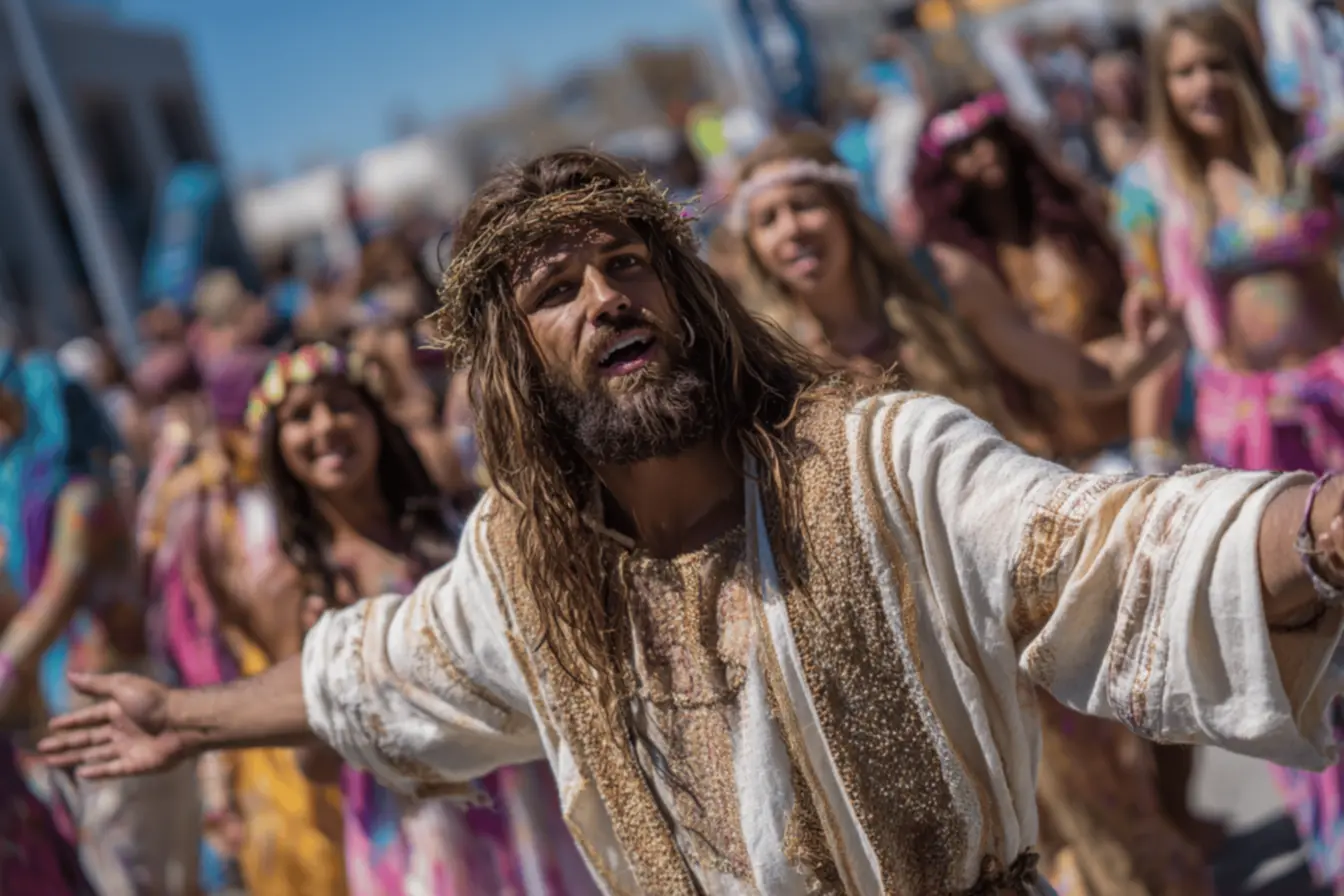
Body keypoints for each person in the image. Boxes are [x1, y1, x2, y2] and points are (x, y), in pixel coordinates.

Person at [40, 149, 1344, 896]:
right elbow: (375, 666)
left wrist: (1326, 531)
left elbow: (1118, 546)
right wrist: (180, 718)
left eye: (629, 266)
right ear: (510, 360)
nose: (608, 297)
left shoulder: (881, 457)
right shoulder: (526, 571)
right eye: (559, 286)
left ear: (689, 301)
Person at [743, 129, 1214, 895]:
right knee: (1014, 839)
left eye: (805, 205)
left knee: (1110, 806)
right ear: (753, 245)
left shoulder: (941, 280)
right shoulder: (768, 359)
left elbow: (1061, 365)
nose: (792, 229)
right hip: (916, 635)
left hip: (1015, 591)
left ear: (842, 207)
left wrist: (1141, 360)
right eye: (768, 218)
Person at [223, 342, 592, 894]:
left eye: (342, 405)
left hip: (521, 798)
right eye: (300, 416)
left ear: (375, 419)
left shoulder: (452, 527)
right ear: (278, 448)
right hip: (417, 832)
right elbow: (312, 765)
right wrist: (339, 675)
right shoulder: (289, 588)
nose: (326, 426)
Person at [1113, 7, 1344, 888]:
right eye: (1182, 73)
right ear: (1162, 89)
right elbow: (1157, 331)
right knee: (1303, 639)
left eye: (1215, 65)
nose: (1202, 85)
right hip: (1254, 437)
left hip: (1337, 402)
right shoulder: (1151, 189)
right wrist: (1142, 446)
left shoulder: (1306, 145)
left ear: (1243, 66)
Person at [137, 348, 348, 896]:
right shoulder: (199, 504)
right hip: (272, 716)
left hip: (330, 702)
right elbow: (202, 642)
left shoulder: (282, 487)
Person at [0, 351, 199, 895]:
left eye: (11, 414)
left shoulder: (83, 501)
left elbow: (53, 604)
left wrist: (5, 672)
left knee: (146, 874)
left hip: (121, 703)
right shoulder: (27, 499)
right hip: (76, 710)